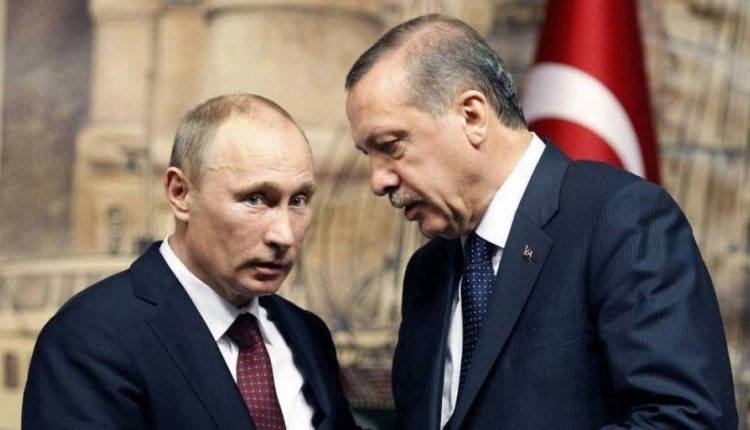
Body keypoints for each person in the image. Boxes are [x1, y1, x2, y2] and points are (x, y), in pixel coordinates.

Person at [345, 14, 737, 429]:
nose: (377, 181)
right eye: (367, 154)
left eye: (390, 145)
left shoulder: (618, 218)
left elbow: (688, 419)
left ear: (472, 117)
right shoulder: (426, 272)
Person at [23, 94, 357, 429]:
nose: (283, 235)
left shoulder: (307, 334)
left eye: (298, 200)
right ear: (180, 193)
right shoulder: (91, 336)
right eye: (255, 199)